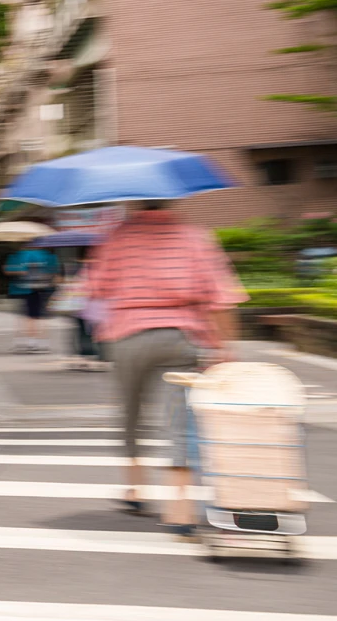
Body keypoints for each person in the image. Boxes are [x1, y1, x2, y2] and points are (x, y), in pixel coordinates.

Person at [86, 201, 246, 534]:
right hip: (179, 336)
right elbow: (219, 296)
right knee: (179, 421)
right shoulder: (194, 237)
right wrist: (225, 345)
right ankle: (180, 508)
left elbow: (95, 289)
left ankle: (135, 490)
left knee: (130, 412)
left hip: (126, 336)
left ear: (133, 202)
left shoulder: (114, 237)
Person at [4, 241, 59, 353]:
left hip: (25, 289)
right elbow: (55, 273)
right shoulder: (50, 256)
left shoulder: (18, 255)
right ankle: (40, 342)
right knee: (39, 316)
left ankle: (30, 342)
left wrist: (21, 271)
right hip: (44, 288)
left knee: (28, 316)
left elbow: (8, 270)